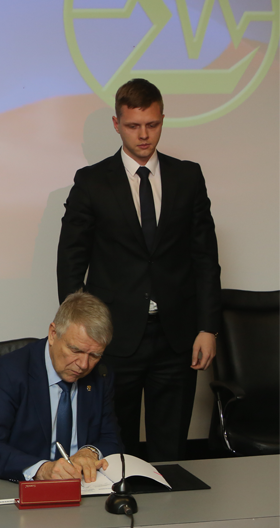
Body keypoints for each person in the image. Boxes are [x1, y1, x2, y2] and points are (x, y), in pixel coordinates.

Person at [57, 79, 221, 461]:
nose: (144, 135)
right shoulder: (92, 182)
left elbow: (205, 258)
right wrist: (79, 332)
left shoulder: (188, 177)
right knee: (115, 448)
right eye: (133, 126)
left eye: (152, 124)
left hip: (177, 337)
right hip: (112, 338)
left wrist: (208, 327)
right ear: (117, 124)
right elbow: (71, 261)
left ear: (162, 119)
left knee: (171, 451)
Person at [0, 292, 123, 482]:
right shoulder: (7, 372)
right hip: (19, 487)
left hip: (83, 487)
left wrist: (90, 452)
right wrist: (41, 469)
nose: (84, 365)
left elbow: (112, 440)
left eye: (95, 355)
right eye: (75, 350)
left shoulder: (101, 375)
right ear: (53, 334)